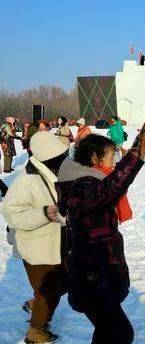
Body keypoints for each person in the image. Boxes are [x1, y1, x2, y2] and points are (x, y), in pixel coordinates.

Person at [56, 134, 145, 344]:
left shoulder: (89, 180)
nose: (114, 160)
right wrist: (136, 155)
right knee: (120, 334)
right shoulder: (82, 187)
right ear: (95, 159)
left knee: (109, 332)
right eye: (110, 156)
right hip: (93, 277)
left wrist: (138, 147)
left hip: (100, 272)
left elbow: (113, 183)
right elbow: (113, 187)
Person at [2, 131, 69, 343]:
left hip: (57, 243)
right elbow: (12, 213)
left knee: (66, 282)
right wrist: (44, 213)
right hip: (36, 248)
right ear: (48, 158)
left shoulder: (53, 173)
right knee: (50, 292)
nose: (64, 161)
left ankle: (36, 302)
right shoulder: (26, 180)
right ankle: (35, 331)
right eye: (59, 157)